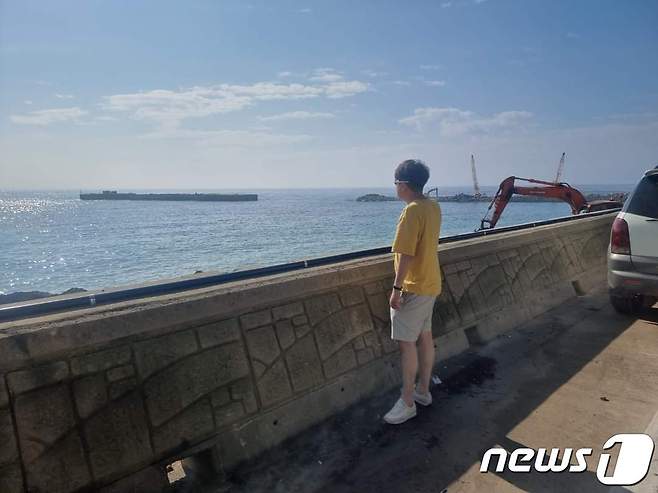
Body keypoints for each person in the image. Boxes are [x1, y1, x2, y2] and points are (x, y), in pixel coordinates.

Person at [383, 159, 442, 425]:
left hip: (413, 287)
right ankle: (423, 391)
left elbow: (406, 253)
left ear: (403, 185)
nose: (395, 188)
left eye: (395, 183)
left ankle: (407, 402)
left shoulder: (412, 212)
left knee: (407, 345)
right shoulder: (433, 206)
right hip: (430, 283)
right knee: (425, 337)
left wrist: (396, 289)